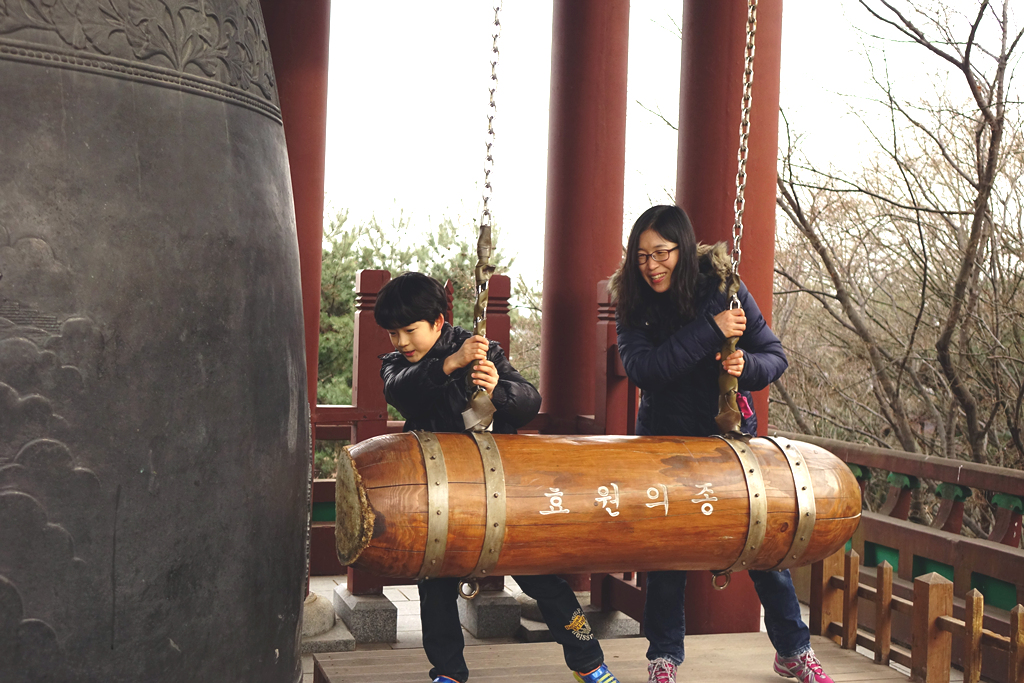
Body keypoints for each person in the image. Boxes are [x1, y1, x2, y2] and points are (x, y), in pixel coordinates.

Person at [610, 205, 834, 683]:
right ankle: (663, 657)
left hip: (728, 440)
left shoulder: (723, 287)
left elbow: (774, 356)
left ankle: (793, 650)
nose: (651, 266)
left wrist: (745, 367)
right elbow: (646, 371)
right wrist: (711, 330)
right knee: (668, 552)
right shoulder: (632, 302)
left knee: (760, 544)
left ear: (684, 249)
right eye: (642, 256)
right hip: (665, 442)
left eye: (662, 253)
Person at [374, 271, 621, 683]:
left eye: (409, 331)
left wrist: (498, 390)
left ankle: (589, 662)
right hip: (444, 495)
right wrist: (450, 364)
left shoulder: (483, 349)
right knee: (435, 588)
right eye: (392, 333)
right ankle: (448, 673)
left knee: (545, 581)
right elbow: (402, 392)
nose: (400, 342)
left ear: (437, 321)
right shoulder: (399, 365)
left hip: (501, 491)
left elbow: (529, 401)